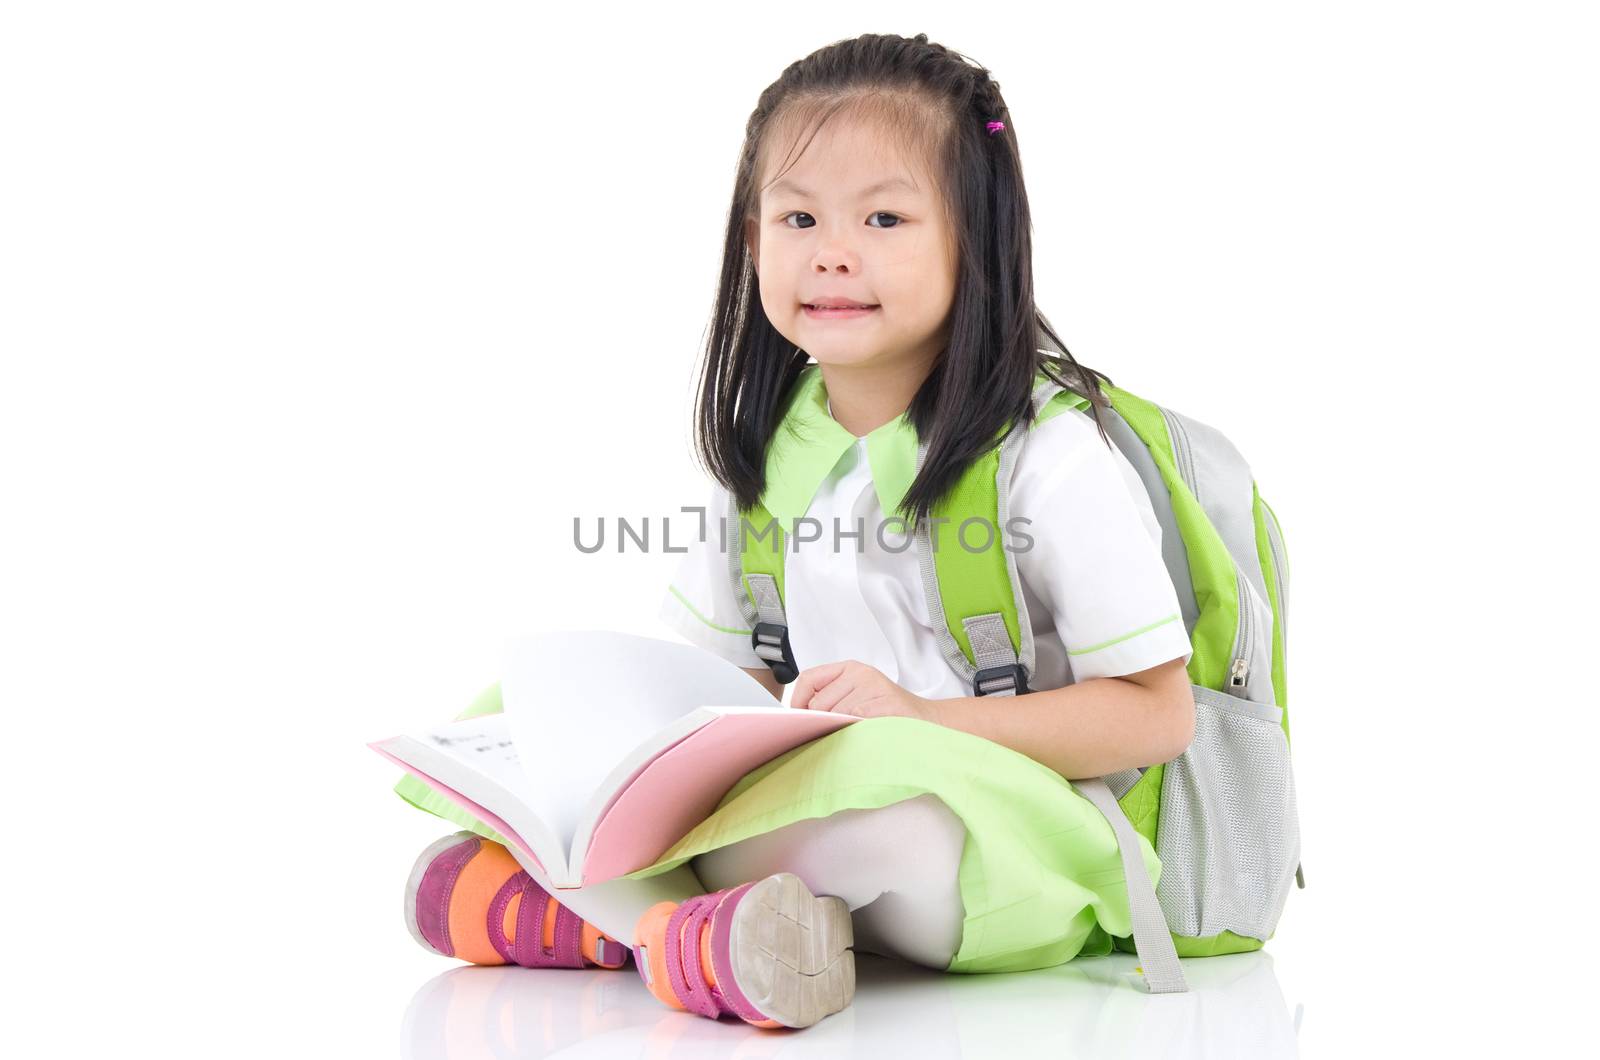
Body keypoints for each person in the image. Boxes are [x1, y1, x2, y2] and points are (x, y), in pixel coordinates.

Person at [401, 31, 1196, 1030]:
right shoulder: (767, 453)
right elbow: (729, 678)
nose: (832, 249)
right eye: (797, 216)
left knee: (881, 809)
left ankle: (611, 918)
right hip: (813, 797)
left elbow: (1156, 715)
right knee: (525, 713)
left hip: (991, 843)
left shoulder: (1050, 455)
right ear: (750, 242)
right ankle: (725, 936)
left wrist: (915, 720)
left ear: (976, 239)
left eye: (884, 216)